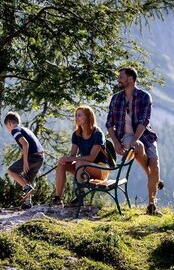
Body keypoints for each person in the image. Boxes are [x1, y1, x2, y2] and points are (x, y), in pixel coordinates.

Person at [105, 67, 164, 215]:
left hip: (144, 134)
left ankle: (151, 205)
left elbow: (144, 121)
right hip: (125, 136)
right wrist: (117, 143)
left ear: (130, 79)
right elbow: (109, 124)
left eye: (121, 77)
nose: (118, 80)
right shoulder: (116, 98)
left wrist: (135, 139)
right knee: (138, 147)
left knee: (155, 166)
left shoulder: (145, 97)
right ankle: (150, 175)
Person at [51, 106, 110, 206]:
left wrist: (73, 159)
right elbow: (73, 155)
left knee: (80, 163)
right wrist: (65, 159)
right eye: (76, 115)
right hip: (83, 167)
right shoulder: (76, 134)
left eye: (79, 115)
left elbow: (91, 157)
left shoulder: (97, 134)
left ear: (87, 117)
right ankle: (58, 198)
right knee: (62, 164)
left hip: (101, 168)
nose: (76, 118)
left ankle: (80, 197)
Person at [4, 112, 44, 209]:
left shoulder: (15, 130)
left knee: (11, 171)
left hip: (32, 157)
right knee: (26, 180)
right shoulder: (25, 129)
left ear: (9, 123)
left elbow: (25, 144)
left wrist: (25, 161)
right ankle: (28, 203)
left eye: (6, 127)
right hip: (40, 157)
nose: (8, 130)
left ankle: (27, 188)